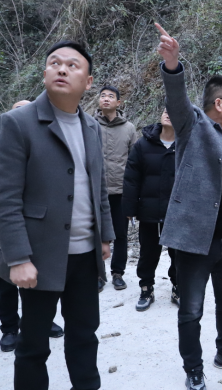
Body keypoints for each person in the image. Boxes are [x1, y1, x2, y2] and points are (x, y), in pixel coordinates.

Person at [0, 40, 114, 390]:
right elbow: (4, 198)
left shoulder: (91, 127)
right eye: (55, 63)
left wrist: (105, 236)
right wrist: (17, 258)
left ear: (88, 81)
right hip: (39, 256)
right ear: (45, 73)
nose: (62, 69)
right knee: (33, 345)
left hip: (85, 256)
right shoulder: (17, 123)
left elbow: (98, 186)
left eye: (73, 65)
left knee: (84, 336)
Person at [155, 23, 222, 390]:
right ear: (219, 104)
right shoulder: (193, 126)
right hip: (194, 241)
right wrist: (172, 64)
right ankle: (193, 368)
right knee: (191, 310)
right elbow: (177, 98)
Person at [0, 100, 64, 353]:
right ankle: (9, 328)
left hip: (42, 223)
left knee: (42, 277)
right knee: (7, 278)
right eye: (18, 112)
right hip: (8, 223)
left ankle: (41, 320)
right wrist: (20, 196)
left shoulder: (46, 144)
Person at [122, 108, 178, 311]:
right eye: (165, 110)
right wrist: (129, 208)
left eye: (173, 110)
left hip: (177, 212)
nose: (168, 113)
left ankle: (178, 288)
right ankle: (146, 289)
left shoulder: (187, 144)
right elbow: (131, 178)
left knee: (179, 254)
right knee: (148, 253)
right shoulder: (143, 144)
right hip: (149, 211)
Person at [95, 85, 137, 291]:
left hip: (121, 191)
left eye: (110, 96)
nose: (106, 99)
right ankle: (98, 273)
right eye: (102, 96)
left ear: (118, 103)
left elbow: (134, 162)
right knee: (95, 233)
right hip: (95, 191)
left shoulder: (129, 128)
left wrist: (134, 193)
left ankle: (118, 273)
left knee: (120, 234)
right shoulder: (89, 125)